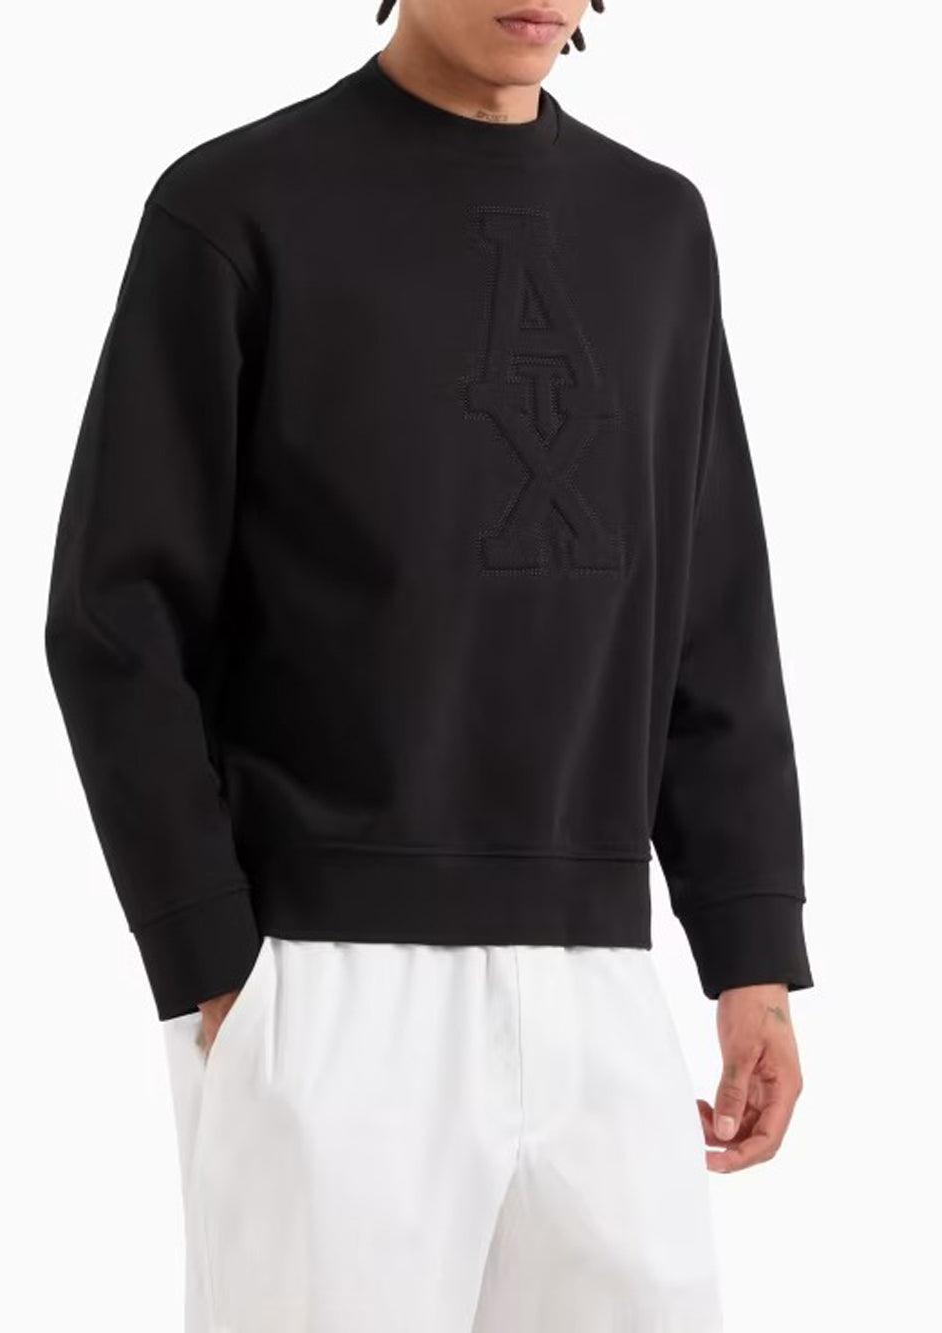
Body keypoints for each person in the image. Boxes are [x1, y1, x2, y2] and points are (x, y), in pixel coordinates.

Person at [44, 3, 814, 1329]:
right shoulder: (236, 208)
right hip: (325, 971)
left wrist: (751, 952)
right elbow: (117, 618)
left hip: (600, 976)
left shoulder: (657, 229)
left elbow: (714, 609)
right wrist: (213, 960)